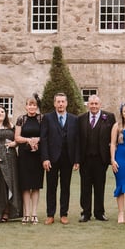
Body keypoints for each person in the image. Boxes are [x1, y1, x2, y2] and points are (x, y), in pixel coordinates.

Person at [40, 92, 80, 225]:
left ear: (66, 103)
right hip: (52, 158)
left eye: (63, 101)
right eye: (58, 102)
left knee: (65, 187)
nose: (61, 104)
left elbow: (77, 141)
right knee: (51, 187)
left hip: (68, 158)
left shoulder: (74, 119)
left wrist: (76, 160)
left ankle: (64, 214)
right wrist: (45, 158)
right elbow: (44, 139)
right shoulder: (47, 118)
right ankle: (50, 215)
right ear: (54, 103)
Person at [78, 95, 116, 222]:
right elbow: (77, 139)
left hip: (101, 159)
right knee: (85, 187)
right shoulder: (81, 118)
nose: (94, 106)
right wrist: (77, 159)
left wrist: (111, 157)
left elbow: (113, 138)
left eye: (96, 104)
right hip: (85, 159)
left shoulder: (109, 117)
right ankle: (85, 213)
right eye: (91, 104)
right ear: (88, 105)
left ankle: (99, 213)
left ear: (100, 104)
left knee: (100, 186)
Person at [14, 95, 44, 225]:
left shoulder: (42, 118)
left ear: (37, 106)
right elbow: (17, 137)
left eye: (34, 105)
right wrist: (29, 140)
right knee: (25, 185)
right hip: (24, 156)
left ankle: (34, 213)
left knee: (36, 185)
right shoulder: (21, 119)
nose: (32, 107)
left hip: (37, 155)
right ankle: (26, 214)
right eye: (29, 105)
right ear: (26, 106)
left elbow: (45, 135)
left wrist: (38, 140)